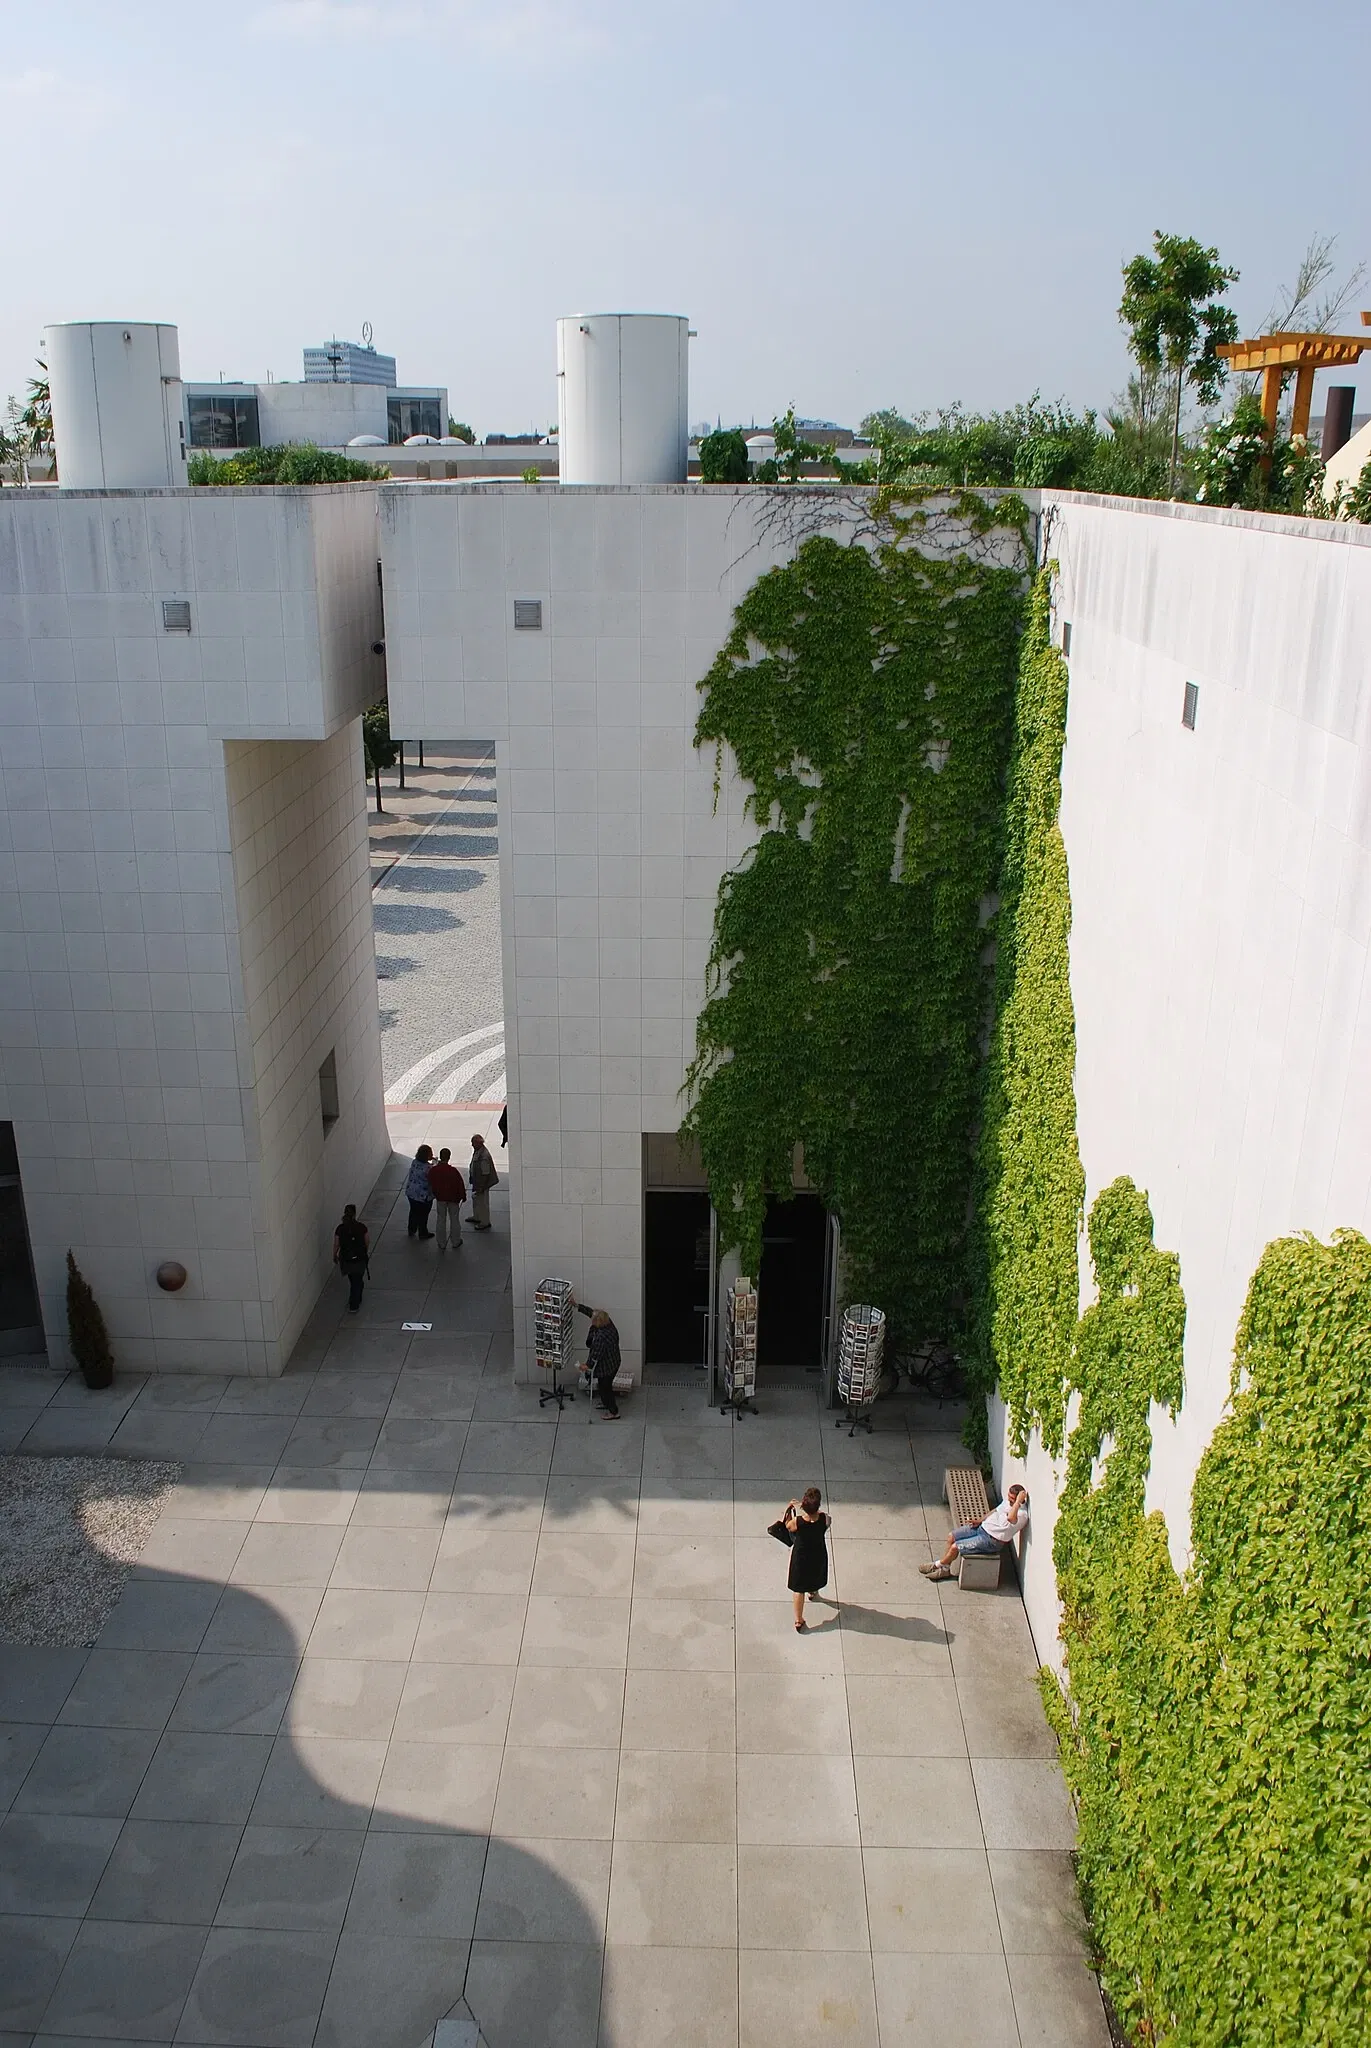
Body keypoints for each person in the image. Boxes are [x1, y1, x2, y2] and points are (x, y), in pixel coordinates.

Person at [921, 1484, 1029, 1581]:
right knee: (952, 1536)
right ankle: (945, 1570)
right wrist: (980, 1520)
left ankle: (937, 1565)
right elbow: (995, 1511)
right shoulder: (1007, 1502)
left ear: (1020, 1499)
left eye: (1013, 1499)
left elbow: (1011, 1518)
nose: (1009, 1500)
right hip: (981, 1528)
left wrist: (1018, 1503)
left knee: (955, 1547)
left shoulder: (1022, 1514)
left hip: (991, 1540)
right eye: (1009, 1497)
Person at [783, 1487, 832, 1631]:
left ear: (804, 1505)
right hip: (817, 1554)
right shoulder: (824, 1519)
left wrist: (791, 1507)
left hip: (801, 1557)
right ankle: (813, 1591)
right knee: (815, 1574)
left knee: (798, 1588)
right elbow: (827, 1520)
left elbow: (788, 1526)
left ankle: (799, 1620)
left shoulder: (798, 1522)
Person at [576, 1301, 621, 1418]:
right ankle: (606, 1403)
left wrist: (586, 1366)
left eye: (593, 1321)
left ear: (598, 1322)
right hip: (614, 1361)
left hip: (606, 1367)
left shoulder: (601, 1336)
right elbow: (591, 1312)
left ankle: (613, 1412)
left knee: (605, 1388)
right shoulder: (608, 1322)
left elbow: (596, 1355)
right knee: (604, 1386)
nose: (592, 1321)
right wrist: (576, 1305)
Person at [332, 1204, 370, 1313]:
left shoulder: (340, 1229)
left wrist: (334, 1255)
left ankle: (355, 1299)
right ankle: (354, 1304)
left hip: (347, 1260)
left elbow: (336, 1244)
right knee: (357, 1281)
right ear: (354, 1214)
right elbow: (367, 1241)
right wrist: (364, 1252)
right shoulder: (361, 1227)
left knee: (353, 1279)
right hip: (360, 1260)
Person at [427, 1146, 467, 1249]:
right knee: (454, 1220)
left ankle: (441, 1242)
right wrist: (463, 1196)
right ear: (449, 1157)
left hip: (440, 1198)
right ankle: (456, 1241)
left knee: (441, 1219)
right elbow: (460, 1184)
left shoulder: (434, 1170)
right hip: (453, 1199)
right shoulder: (453, 1171)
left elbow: (430, 1182)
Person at [469, 1131, 499, 1231]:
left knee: (483, 1203)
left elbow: (485, 1174)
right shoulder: (479, 1151)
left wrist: (481, 1187)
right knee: (476, 1200)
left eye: (473, 1143)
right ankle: (477, 1216)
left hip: (482, 1184)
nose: (472, 1145)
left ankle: (485, 1222)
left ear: (479, 1143)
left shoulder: (484, 1156)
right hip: (477, 1181)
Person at [405, 1144, 435, 1238]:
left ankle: (411, 1229)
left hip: (411, 1193)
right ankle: (423, 1233)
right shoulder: (428, 1168)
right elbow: (433, 1177)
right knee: (423, 1215)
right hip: (423, 1196)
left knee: (413, 1212)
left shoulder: (414, 1162)